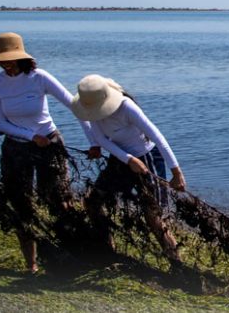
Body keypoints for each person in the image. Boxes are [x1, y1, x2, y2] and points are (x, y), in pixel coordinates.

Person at [0, 32, 91, 272]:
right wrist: (30, 136)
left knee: (59, 201)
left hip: (50, 144)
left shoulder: (39, 77)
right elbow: (0, 123)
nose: (6, 64)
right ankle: (31, 264)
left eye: (10, 59)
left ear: (21, 58)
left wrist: (93, 142)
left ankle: (69, 256)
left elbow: (75, 106)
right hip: (16, 147)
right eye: (1, 61)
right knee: (21, 204)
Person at [69, 74, 186, 265]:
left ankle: (176, 263)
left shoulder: (126, 107)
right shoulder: (91, 110)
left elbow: (157, 136)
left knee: (153, 215)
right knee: (93, 202)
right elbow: (101, 139)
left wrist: (176, 172)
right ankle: (108, 250)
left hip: (147, 157)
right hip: (120, 160)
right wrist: (128, 159)